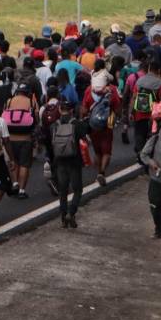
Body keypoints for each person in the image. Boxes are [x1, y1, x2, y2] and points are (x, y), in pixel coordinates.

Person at [50, 99, 89, 228]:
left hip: (59, 161)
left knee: (63, 191)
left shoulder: (54, 125)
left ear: (60, 110)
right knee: (77, 189)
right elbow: (86, 138)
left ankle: (63, 218)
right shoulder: (77, 124)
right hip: (74, 161)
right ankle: (71, 213)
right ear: (72, 110)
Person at [80, 73, 120, 185]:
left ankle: (98, 172)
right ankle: (101, 173)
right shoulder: (112, 90)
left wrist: (83, 120)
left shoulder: (89, 90)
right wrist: (118, 116)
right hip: (108, 123)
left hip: (93, 124)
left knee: (97, 151)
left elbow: (84, 109)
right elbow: (117, 107)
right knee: (106, 150)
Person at [3, 84, 37, 199]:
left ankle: (15, 183)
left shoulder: (9, 101)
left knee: (14, 161)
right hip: (25, 137)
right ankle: (22, 190)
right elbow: (36, 117)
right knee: (24, 164)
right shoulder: (31, 102)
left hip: (10, 137)